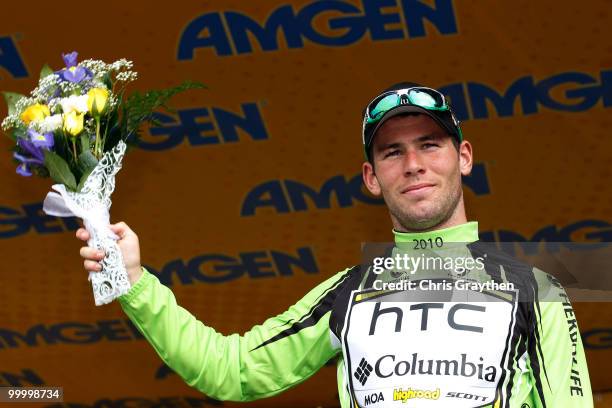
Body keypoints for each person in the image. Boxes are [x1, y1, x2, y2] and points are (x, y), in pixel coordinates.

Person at [77, 83, 593, 407]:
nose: (413, 164)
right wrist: (136, 282)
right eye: (393, 152)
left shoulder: (534, 289)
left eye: (430, 144)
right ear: (371, 177)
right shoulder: (349, 292)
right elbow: (229, 370)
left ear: (464, 157)